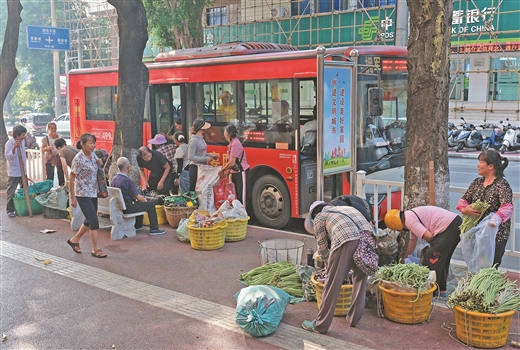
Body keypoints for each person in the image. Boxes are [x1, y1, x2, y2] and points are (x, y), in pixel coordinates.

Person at [301, 201, 373, 334]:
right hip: (367, 240)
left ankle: (320, 325)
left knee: (332, 283)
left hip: (346, 240)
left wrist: (328, 263)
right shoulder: (345, 208)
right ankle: (354, 319)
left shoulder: (320, 217)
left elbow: (322, 247)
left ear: (315, 213)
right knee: (360, 280)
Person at [384, 207, 462, 298]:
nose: (400, 231)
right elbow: (412, 242)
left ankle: (430, 293)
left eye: (398, 230)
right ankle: (441, 290)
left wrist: (430, 249)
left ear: (397, 225)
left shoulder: (409, 221)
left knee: (430, 257)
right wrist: (404, 258)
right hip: (454, 223)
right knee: (442, 259)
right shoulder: (409, 216)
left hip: (449, 227)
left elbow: (428, 236)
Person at [456, 150, 513, 267]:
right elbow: (464, 200)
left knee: (490, 268)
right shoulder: (476, 183)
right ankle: (475, 285)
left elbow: (507, 207)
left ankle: (488, 285)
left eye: (481, 162)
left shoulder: (502, 185)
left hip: (496, 235)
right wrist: (464, 209)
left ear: (490, 166)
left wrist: (495, 219)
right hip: (476, 233)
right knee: (476, 266)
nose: (478, 165)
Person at [66, 133, 107, 258]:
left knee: (90, 219)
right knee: (94, 221)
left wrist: (99, 162)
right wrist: (72, 197)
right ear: (82, 144)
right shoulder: (78, 159)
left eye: (94, 143)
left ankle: (74, 240)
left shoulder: (93, 155)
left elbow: (96, 168)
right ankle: (96, 249)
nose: (93, 145)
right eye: (90, 143)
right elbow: (71, 179)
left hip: (93, 192)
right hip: (82, 194)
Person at [110, 157, 167, 235]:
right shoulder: (128, 181)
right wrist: (144, 199)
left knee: (139, 204)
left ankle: (138, 225)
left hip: (118, 206)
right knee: (150, 205)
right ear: (128, 167)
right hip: (127, 207)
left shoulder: (114, 179)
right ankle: (154, 229)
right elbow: (138, 197)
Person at [218, 124, 250, 205]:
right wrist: (227, 172)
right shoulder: (232, 143)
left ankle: (244, 215)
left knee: (242, 198)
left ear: (227, 134)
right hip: (236, 173)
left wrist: (222, 170)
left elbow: (232, 163)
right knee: (237, 198)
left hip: (242, 173)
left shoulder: (235, 143)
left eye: (225, 134)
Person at [5, 125, 30, 217]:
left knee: (25, 189)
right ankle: (10, 210)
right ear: (17, 135)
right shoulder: (9, 143)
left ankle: (25, 207)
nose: (24, 136)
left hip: (23, 170)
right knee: (11, 191)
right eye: (23, 134)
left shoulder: (23, 142)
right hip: (14, 171)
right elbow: (8, 157)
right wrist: (14, 148)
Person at [188, 119, 217, 191]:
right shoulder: (193, 140)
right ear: (200, 128)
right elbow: (191, 156)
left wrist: (211, 156)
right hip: (195, 168)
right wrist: (206, 159)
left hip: (202, 167)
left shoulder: (201, 138)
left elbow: (202, 152)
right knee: (194, 190)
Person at [41, 121, 65, 186]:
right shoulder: (46, 138)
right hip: (50, 157)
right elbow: (42, 149)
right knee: (50, 174)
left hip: (59, 156)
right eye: (52, 128)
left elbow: (65, 146)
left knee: (61, 173)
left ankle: (62, 188)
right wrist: (47, 148)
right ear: (48, 129)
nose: (54, 130)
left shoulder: (60, 136)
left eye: (55, 128)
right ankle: (49, 188)